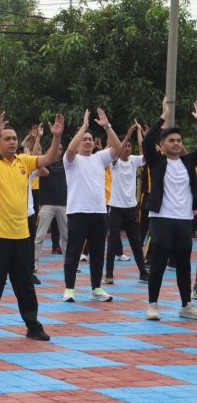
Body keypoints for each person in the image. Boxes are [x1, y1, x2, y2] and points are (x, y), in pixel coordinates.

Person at [0, 112, 63, 342]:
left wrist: (56, 136)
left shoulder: (24, 161)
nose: (12, 142)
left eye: (14, 138)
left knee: (25, 284)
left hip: (22, 235)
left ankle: (33, 326)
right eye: (6, 138)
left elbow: (48, 159)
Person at [143, 98, 197, 321]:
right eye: (171, 140)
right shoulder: (157, 162)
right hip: (162, 218)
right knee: (158, 263)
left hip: (184, 219)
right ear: (163, 145)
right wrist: (163, 116)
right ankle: (153, 305)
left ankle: (186, 305)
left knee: (184, 264)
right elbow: (147, 141)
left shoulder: (187, 162)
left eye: (179, 140)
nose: (176, 143)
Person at [62, 109, 121, 303]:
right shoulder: (71, 161)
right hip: (78, 212)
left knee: (97, 253)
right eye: (84, 139)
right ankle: (69, 289)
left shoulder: (99, 158)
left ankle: (96, 288)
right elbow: (70, 150)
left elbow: (118, 149)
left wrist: (107, 127)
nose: (87, 142)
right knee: (73, 252)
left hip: (99, 212)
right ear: (78, 141)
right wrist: (84, 126)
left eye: (89, 139)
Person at [104, 122, 150, 285]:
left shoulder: (134, 160)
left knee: (136, 242)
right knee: (113, 241)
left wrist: (139, 134)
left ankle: (143, 273)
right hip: (116, 208)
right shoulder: (114, 162)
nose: (127, 148)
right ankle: (109, 274)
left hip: (131, 208)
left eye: (130, 146)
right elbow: (116, 150)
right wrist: (128, 134)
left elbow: (144, 150)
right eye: (125, 145)